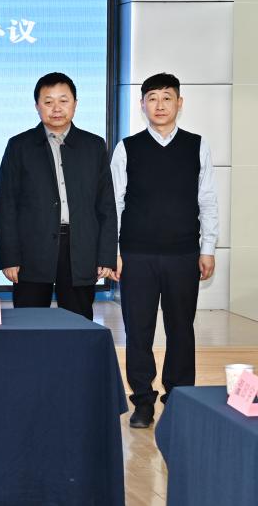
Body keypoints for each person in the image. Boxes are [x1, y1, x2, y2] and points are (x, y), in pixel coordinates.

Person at [110, 72, 219, 429]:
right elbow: (114, 204)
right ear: (142, 104)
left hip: (184, 254)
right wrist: (114, 250)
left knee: (181, 329)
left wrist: (208, 248)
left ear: (179, 103)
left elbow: (208, 200)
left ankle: (179, 395)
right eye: (152, 98)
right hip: (136, 255)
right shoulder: (127, 148)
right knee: (138, 330)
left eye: (167, 97)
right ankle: (142, 400)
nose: (159, 104)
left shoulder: (196, 145)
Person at [0, 72, 117, 320]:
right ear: (37, 106)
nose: (56, 108)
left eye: (63, 100)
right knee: (29, 324)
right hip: (32, 249)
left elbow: (105, 205)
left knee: (78, 323)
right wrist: (9, 257)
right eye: (48, 102)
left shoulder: (94, 146)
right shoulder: (19, 146)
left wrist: (106, 255)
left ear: (75, 104)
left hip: (80, 246)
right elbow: (5, 205)